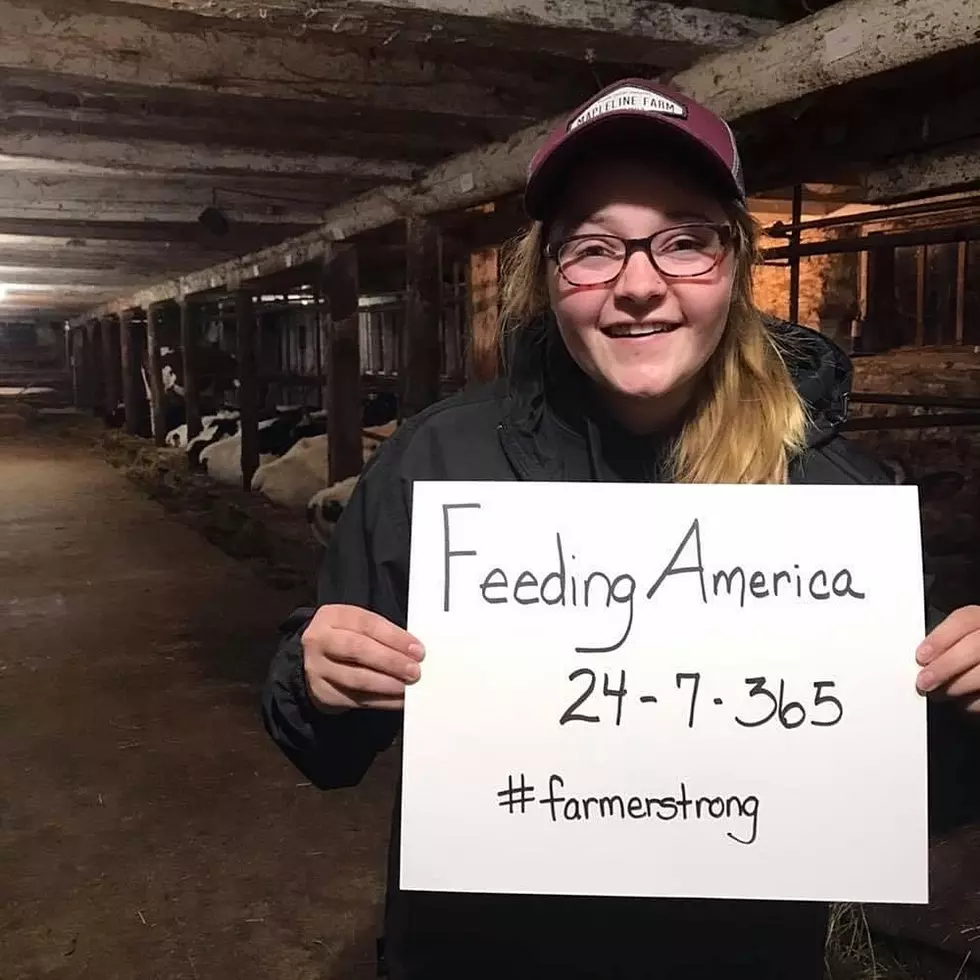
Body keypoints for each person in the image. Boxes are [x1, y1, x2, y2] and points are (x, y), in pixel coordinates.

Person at [261, 78, 980, 979]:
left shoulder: (837, 503)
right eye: (594, 250)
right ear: (548, 274)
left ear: (735, 262)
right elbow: (327, 752)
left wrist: (966, 709)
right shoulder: (438, 463)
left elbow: (919, 794)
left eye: (684, 242)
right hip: (480, 956)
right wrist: (314, 674)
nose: (639, 286)